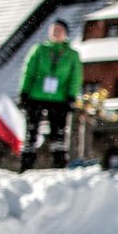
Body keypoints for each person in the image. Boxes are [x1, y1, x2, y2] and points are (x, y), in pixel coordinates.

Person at [18, 20, 82, 171]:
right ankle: (26, 164)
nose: (56, 32)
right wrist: (24, 92)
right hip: (37, 95)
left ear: (65, 33)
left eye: (59, 30)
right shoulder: (39, 50)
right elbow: (29, 71)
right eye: (53, 29)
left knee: (58, 132)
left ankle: (59, 164)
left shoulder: (72, 55)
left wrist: (71, 96)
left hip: (59, 98)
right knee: (32, 129)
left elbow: (75, 77)